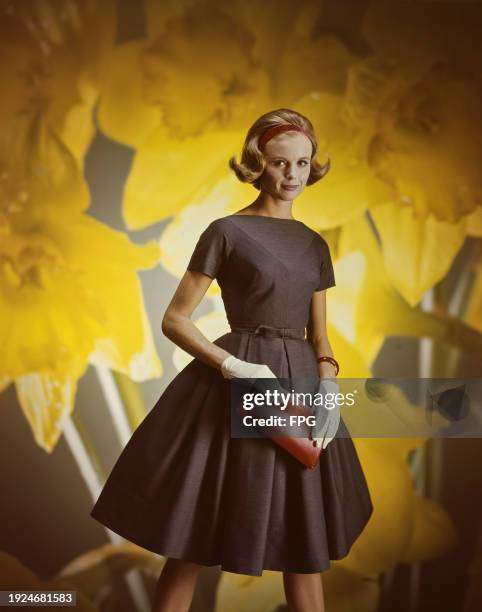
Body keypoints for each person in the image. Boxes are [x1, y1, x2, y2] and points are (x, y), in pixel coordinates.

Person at [90, 108, 374, 612]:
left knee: (305, 553)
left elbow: (320, 335)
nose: (292, 175)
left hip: (300, 390)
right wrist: (232, 366)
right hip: (237, 384)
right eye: (280, 163)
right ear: (257, 163)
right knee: (193, 540)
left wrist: (328, 387)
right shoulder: (226, 231)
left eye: (303, 164)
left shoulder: (315, 245)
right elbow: (175, 319)